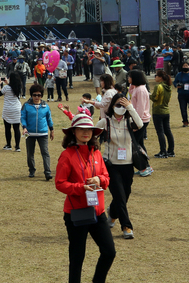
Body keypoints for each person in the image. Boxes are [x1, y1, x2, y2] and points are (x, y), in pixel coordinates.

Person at [55, 113, 116, 283]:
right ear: (73, 131)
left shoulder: (96, 153)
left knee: (109, 251)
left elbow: (106, 177)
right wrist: (80, 188)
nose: (86, 132)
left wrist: (99, 180)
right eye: (81, 129)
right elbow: (60, 183)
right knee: (77, 257)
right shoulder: (66, 155)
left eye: (89, 129)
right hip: (76, 213)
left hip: (98, 212)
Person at [96, 94, 142, 239]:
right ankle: (127, 227)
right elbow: (91, 134)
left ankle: (113, 213)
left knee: (125, 194)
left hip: (128, 164)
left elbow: (140, 124)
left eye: (122, 105)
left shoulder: (129, 121)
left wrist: (130, 107)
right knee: (120, 196)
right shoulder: (105, 122)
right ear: (112, 106)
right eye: (117, 105)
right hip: (111, 166)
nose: (120, 108)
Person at [21, 84, 55, 180]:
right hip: (29, 133)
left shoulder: (45, 106)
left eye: (39, 95)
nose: (36, 97)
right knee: (30, 153)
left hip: (43, 133)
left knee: (45, 152)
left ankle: (47, 172)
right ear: (31, 95)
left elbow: (49, 118)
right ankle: (31, 169)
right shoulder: (26, 105)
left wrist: (52, 129)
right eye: (34, 95)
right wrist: (24, 127)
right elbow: (23, 117)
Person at [127, 70, 153, 176]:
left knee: (136, 145)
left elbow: (140, 108)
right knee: (139, 143)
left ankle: (145, 166)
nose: (128, 78)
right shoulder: (137, 88)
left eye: (130, 77)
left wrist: (137, 124)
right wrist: (131, 85)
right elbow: (130, 93)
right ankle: (144, 166)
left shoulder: (141, 90)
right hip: (138, 120)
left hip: (141, 120)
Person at [150, 70, 175, 158]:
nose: (155, 77)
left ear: (160, 77)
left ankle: (163, 151)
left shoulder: (159, 86)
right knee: (168, 131)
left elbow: (155, 98)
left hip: (158, 111)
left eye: (156, 76)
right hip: (166, 111)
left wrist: (149, 94)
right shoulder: (169, 86)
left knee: (160, 132)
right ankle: (171, 150)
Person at [0, 73, 23, 151]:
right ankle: (17, 146)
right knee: (16, 128)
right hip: (17, 109)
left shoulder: (6, 88)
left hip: (8, 109)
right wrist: (7, 83)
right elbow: (13, 88)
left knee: (7, 128)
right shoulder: (19, 87)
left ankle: (9, 145)